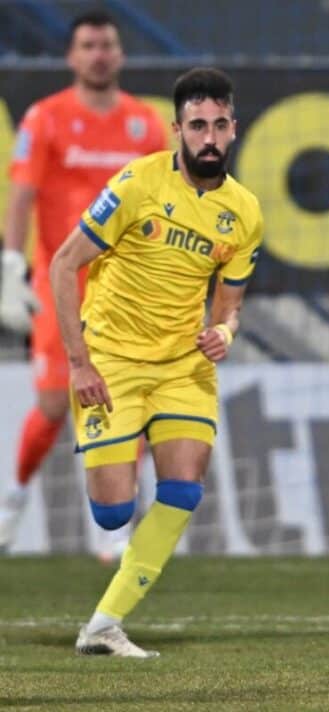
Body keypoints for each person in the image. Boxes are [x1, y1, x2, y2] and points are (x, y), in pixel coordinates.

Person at [49, 67, 262, 657]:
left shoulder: (244, 212)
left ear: (234, 128)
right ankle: (111, 460)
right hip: (111, 361)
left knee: (183, 489)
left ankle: (104, 624)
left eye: (219, 125)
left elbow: (230, 305)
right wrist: (79, 364)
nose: (209, 137)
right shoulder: (135, 185)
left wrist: (224, 331)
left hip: (182, 367)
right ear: (177, 130)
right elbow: (64, 264)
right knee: (113, 512)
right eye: (197, 126)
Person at [0, 10, 168, 553]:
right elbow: (21, 196)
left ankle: (113, 529)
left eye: (107, 45)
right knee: (54, 404)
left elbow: (164, 204)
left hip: (126, 289)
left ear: (120, 55)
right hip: (63, 283)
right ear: (72, 56)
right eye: (89, 45)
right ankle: (13, 498)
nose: (99, 54)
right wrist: (11, 264)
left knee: (129, 401)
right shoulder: (45, 118)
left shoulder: (145, 124)